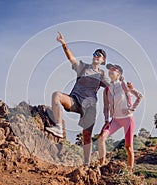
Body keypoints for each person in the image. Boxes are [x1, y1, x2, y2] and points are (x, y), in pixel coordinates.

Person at [45, 32, 110, 166]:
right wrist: (63, 44)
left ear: (103, 60)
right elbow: (71, 57)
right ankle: (58, 127)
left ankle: (86, 164)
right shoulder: (83, 67)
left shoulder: (102, 75)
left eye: (99, 55)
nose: (96, 56)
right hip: (74, 100)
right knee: (56, 95)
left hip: (89, 108)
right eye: (95, 54)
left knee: (86, 137)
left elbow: (113, 88)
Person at [98, 63, 143, 171]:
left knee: (128, 147)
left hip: (127, 119)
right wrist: (106, 120)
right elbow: (106, 107)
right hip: (115, 120)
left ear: (119, 73)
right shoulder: (107, 90)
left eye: (114, 69)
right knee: (101, 139)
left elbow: (140, 96)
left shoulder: (124, 85)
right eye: (110, 69)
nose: (111, 70)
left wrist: (131, 109)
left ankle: (130, 172)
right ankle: (102, 165)